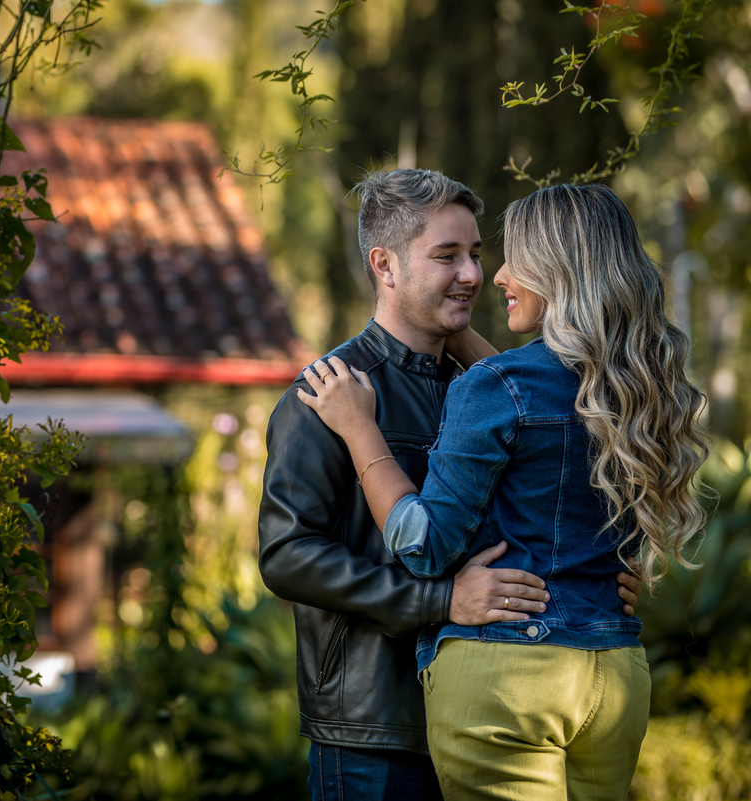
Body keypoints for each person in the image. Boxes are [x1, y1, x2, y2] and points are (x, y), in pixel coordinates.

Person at [296, 182, 707, 800]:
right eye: (450, 257)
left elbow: (424, 544)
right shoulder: (629, 387)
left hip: (508, 678)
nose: (493, 276)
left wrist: (359, 428)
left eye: (508, 258)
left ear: (559, 272)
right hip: (614, 675)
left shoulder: (496, 385)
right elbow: (538, 407)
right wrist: (465, 343)